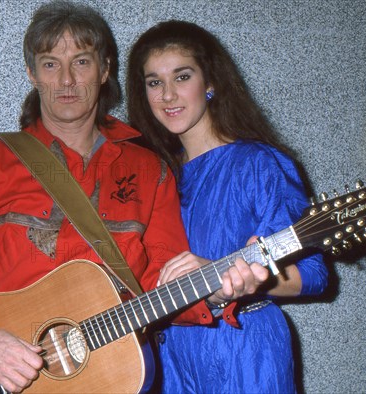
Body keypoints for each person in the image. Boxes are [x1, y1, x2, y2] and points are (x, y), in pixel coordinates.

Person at [0, 3, 216, 393]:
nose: (66, 80)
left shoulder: (151, 171)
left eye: (81, 62)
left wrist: (217, 291)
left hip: (114, 377)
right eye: (50, 64)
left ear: (104, 69)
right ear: (32, 73)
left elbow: (162, 281)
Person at [127, 20, 329, 393]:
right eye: (154, 82)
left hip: (245, 351)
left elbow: (314, 274)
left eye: (182, 76)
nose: (168, 95)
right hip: (171, 360)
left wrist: (243, 280)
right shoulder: (154, 178)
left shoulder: (259, 163)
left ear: (211, 82)